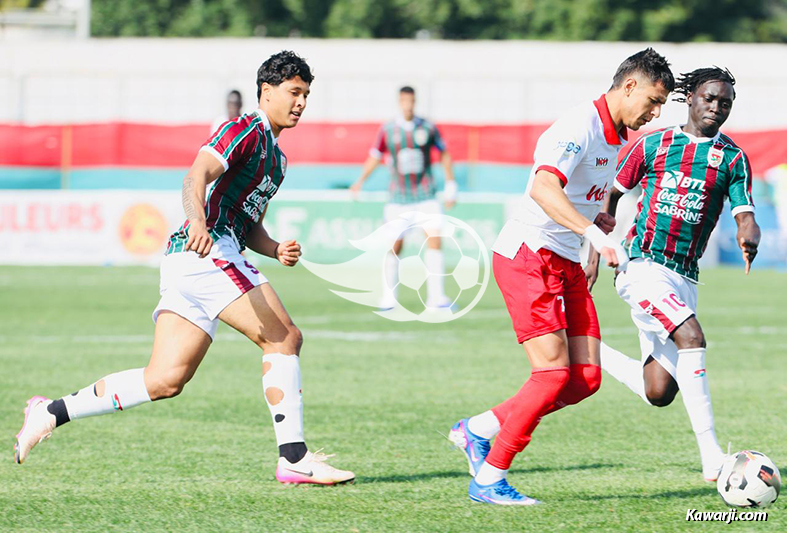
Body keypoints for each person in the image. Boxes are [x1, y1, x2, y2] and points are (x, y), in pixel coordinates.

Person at [14, 51, 355, 486]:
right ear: (266, 92)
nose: (301, 103)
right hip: (207, 253)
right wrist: (197, 221)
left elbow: (247, 223)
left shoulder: (278, 160)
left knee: (165, 379)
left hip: (197, 258)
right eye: (293, 92)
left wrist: (274, 248)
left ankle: (50, 412)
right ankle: (294, 457)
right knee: (284, 337)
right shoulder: (243, 129)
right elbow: (196, 176)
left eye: (306, 94)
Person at [449, 48, 674, 505]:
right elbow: (543, 186)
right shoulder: (579, 126)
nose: (653, 114)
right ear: (628, 86)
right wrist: (594, 231)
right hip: (530, 256)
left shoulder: (616, 138)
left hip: (567, 260)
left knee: (585, 378)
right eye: (652, 101)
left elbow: (581, 199)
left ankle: (477, 430)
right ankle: (489, 479)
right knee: (551, 375)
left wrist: (594, 233)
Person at [586, 67, 760, 482]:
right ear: (692, 97)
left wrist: (749, 231)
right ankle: (713, 458)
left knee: (659, 392)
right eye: (710, 98)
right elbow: (613, 192)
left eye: (725, 103)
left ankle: (589, 348)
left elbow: (744, 210)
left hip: (685, 276)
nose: (717, 107)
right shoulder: (655, 143)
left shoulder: (733, 158)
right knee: (692, 337)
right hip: (640, 266)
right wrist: (596, 246)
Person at [350, 86, 458, 310]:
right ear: (399, 102)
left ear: (414, 102)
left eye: (411, 101)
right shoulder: (388, 130)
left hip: (426, 195)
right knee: (395, 245)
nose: (407, 104)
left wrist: (450, 183)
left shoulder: (427, 127)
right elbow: (375, 156)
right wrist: (360, 181)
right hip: (398, 198)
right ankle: (389, 298)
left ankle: (436, 298)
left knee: (435, 240)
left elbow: (444, 153)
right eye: (404, 101)